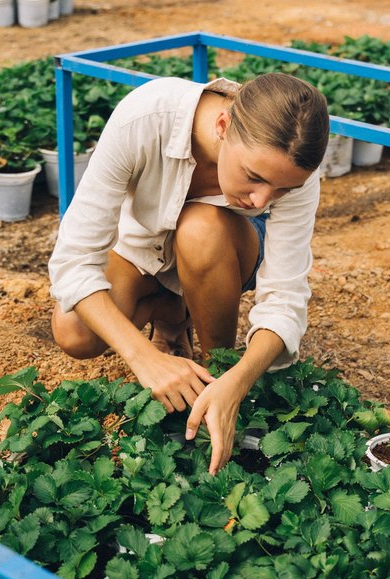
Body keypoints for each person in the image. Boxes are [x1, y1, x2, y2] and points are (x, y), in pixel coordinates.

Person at [48, 72, 329, 474]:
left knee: (201, 229)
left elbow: (284, 298)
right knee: (75, 331)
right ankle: (171, 312)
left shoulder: (295, 167)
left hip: (227, 247)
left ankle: (214, 373)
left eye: (282, 190)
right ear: (222, 125)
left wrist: (237, 380)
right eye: (254, 177)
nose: (261, 200)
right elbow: (74, 261)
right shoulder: (143, 119)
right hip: (144, 244)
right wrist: (145, 359)